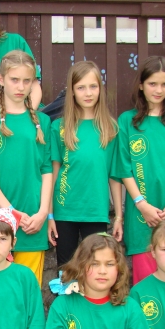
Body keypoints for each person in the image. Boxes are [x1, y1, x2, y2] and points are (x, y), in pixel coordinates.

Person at [0, 50, 52, 286]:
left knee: (26, 292)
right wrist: (10, 211)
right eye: (14, 80)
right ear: (1, 79)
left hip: (32, 222)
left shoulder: (42, 122)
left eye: (27, 81)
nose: (21, 87)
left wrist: (43, 213)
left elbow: (47, 169)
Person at [114, 55, 165, 284]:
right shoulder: (128, 121)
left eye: (164, 84)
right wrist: (141, 204)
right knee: (146, 284)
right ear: (141, 85)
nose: (158, 90)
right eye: (152, 84)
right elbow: (124, 167)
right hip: (142, 213)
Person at [48, 61, 123, 268]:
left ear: (100, 88)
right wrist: (50, 214)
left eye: (93, 86)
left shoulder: (110, 128)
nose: (88, 93)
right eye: (81, 87)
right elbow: (53, 173)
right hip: (65, 211)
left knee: (95, 267)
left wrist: (118, 216)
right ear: (72, 91)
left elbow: (114, 176)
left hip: (95, 210)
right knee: (66, 271)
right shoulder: (59, 127)